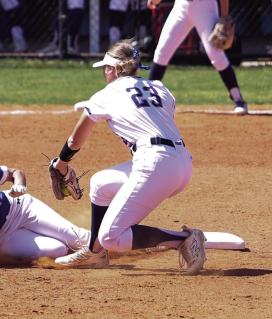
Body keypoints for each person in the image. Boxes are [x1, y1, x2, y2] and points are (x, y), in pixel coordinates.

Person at [50, 40, 207, 275]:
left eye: (105, 68)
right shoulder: (159, 87)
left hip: (155, 163)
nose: (104, 72)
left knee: (111, 237)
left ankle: (183, 239)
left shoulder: (108, 94)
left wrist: (61, 163)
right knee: (101, 183)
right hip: (180, 161)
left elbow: (75, 140)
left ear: (113, 69)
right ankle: (95, 253)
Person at [147, 0, 248, 115]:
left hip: (205, 7)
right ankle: (148, 97)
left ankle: (238, 99)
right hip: (181, 6)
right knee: (162, 52)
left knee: (216, 56)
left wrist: (224, 16)